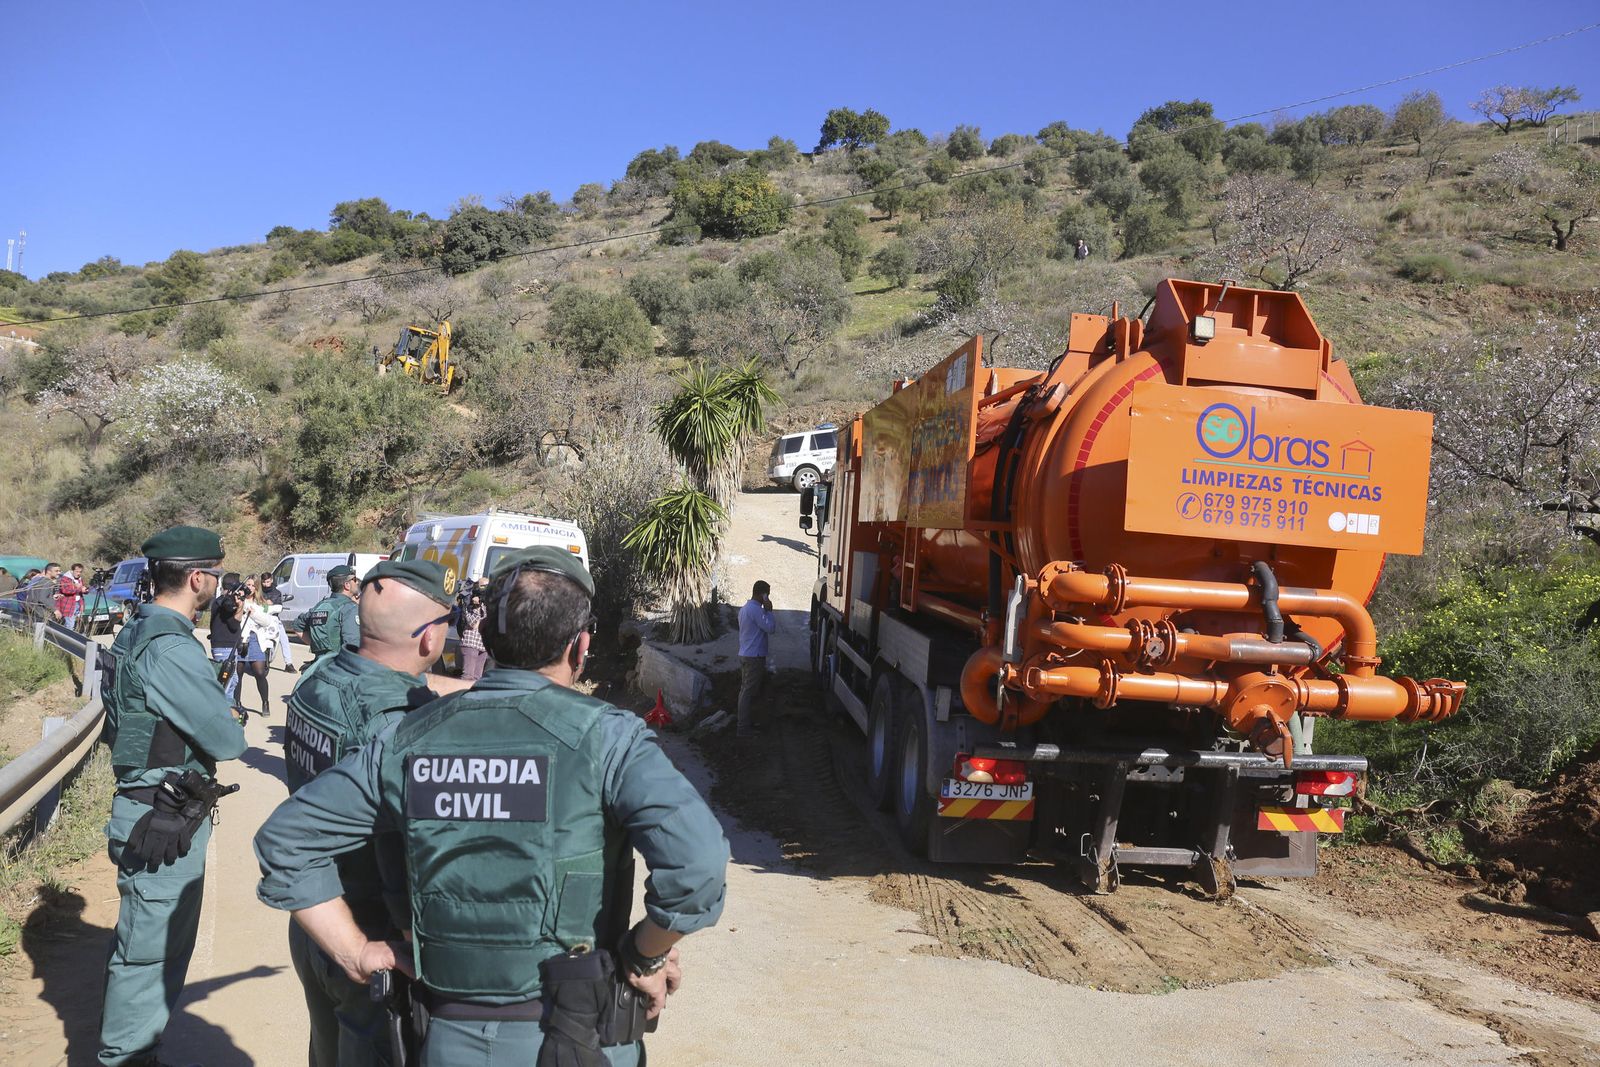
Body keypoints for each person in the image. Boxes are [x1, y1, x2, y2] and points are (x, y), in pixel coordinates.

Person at [255, 547, 729, 1066]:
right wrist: (644, 954)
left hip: (445, 1036)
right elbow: (697, 868)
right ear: (580, 646)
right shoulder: (608, 738)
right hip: (579, 1032)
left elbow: (286, 841)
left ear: (486, 636)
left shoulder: (406, 738)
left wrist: (355, 951)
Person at [280, 559, 468, 1067]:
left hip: (317, 918)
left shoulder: (320, 677)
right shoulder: (398, 725)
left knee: (328, 1050)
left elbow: (396, 688)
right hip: (370, 937)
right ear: (429, 637)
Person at [98, 525, 247, 1067]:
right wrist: (225, 713)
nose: (218, 583)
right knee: (149, 955)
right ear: (197, 578)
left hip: (150, 806)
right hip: (161, 816)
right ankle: (127, 1057)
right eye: (216, 574)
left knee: (148, 945)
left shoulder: (138, 630)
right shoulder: (170, 646)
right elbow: (227, 741)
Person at [737, 580, 775, 738]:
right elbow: (770, 628)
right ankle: (743, 728)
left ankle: (746, 723)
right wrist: (769, 611)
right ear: (763, 594)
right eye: (767, 595)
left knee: (746, 690)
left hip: (746, 654)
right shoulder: (755, 610)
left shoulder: (745, 609)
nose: (768, 598)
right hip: (754, 656)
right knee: (747, 692)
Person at [237, 579, 280, 717]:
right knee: (238, 673)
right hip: (240, 639)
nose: (250, 588)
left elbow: (266, 621)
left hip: (255, 639)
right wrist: (242, 605)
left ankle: (265, 702)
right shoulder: (238, 600)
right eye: (248, 585)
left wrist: (253, 612)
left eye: (253, 586)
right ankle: (237, 703)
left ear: (256, 588)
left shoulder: (261, 603)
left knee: (260, 672)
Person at [303, 565, 361, 663]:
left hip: (319, 664)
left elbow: (298, 627)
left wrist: (321, 647)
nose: (357, 582)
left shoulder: (320, 606)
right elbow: (353, 646)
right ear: (347, 585)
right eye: (354, 579)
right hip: (340, 666)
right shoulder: (350, 608)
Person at [209, 573, 246, 711]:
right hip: (223, 648)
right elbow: (234, 624)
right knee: (225, 683)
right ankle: (221, 712)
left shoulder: (226, 601)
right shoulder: (223, 603)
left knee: (233, 680)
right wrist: (240, 606)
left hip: (229, 647)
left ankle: (228, 709)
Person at [260, 571, 298, 674]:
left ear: (272, 580)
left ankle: (289, 663)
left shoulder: (277, 593)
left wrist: (270, 605)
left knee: (284, 639)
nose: (266, 584)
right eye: (264, 582)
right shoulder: (259, 592)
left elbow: (279, 606)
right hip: (260, 618)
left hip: (274, 619)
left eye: (268, 581)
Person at [458, 583, 488, 682]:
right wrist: (477, 607)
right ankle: (462, 692)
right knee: (468, 676)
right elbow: (472, 623)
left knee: (477, 678)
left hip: (483, 645)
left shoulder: (487, 605)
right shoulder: (469, 603)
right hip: (471, 642)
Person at [55, 563, 88, 629]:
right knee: (70, 625)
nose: (78, 573)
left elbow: (81, 591)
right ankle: (65, 635)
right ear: (72, 571)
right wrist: (79, 589)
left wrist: (85, 590)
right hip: (69, 604)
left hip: (78, 603)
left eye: (80, 572)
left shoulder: (80, 579)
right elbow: (65, 590)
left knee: (75, 624)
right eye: (77, 571)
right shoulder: (65, 579)